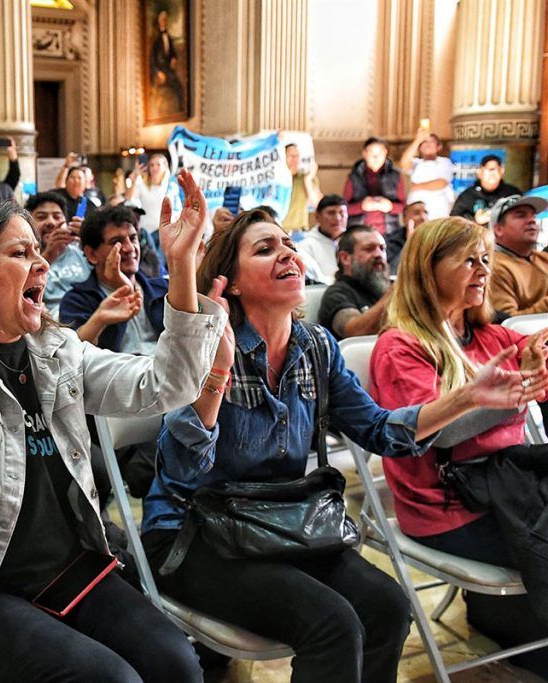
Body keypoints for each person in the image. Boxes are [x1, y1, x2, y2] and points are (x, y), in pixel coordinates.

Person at [141, 207, 542, 683]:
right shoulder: (204, 347)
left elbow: (381, 432)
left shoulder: (317, 347)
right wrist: (218, 371)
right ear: (234, 284)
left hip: (284, 521)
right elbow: (181, 471)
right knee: (333, 624)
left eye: (288, 243)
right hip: (194, 533)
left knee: (390, 607)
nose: (288, 253)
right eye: (266, 249)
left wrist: (466, 398)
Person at [0, 163, 226, 682]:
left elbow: (167, 386)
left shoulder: (54, 348)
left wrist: (181, 265)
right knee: (111, 680)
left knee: (177, 663)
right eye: (20, 253)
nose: (42, 264)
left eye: (38, 251)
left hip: (66, 570)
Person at [372, 215, 548, 676]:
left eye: (486, 258)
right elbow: (435, 433)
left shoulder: (491, 335)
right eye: (468, 260)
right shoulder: (401, 346)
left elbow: (535, 371)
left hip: (506, 485)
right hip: (444, 505)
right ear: (427, 270)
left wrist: (540, 365)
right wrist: (512, 398)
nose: (483, 269)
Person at [60, 204, 168, 353]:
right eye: (116, 242)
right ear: (92, 254)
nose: (129, 248)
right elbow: (71, 354)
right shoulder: (77, 300)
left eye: (133, 238)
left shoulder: (162, 289)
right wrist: (99, 320)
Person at [317, 226, 392, 340]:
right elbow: (354, 332)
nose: (379, 254)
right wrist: (394, 294)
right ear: (345, 258)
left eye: (382, 248)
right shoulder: (337, 294)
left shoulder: (389, 286)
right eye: (369, 249)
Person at [25, 192, 89, 317]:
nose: (51, 223)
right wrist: (49, 254)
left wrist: (89, 240)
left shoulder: (81, 250)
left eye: (57, 217)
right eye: (41, 217)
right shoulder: (22, 258)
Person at [487, 195, 548, 318]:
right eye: (521, 215)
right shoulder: (493, 267)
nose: (532, 220)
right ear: (498, 229)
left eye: (534, 215)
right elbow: (507, 323)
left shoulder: (543, 258)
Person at [343, 136, 405, 235]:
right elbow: (344, 208)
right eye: (371, 153)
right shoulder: (354, 176)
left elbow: (403, 206)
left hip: (389, 232)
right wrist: (362, 206)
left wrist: (390, 206)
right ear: (364, 153)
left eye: (379, 153)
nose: (376, 157)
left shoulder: (395, 176)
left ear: (385, 153)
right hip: (360, 232)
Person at [399, 127, 455, 219]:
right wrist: (417, 140)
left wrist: (416, 186)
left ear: (438, 146)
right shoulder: (416, 163)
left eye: (431, 141)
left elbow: (441, 183)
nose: (427, 144)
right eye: (424, 142)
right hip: (416, 209)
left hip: (438, 210)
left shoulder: (444, 162)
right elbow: (404, 164)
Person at [451, 154, 522, 225]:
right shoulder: (468, 195)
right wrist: (475, 220)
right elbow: (454, 219)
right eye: (488, 170)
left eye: (495, 169)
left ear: (501, 171)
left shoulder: (512, 193)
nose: (492, 173)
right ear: (479, 172)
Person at [297, 194, 348, 285]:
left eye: (342, 213)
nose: (337, 218)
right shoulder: (305, 247)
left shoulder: (353, 243)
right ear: (317, 216)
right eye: (331, 213)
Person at [124, 153, 171, 238]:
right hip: (148, 231)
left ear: (165, 167)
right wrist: (134, 180)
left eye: (158, 165)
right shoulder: (142, 185)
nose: (154, 168)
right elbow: (128, 198)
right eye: (152, 165)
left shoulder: (171, 186)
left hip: (166, 231)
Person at [282, 143, 323, 233]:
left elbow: (317, 204)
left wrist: (307, 180)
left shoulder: (306, 177)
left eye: (297, 156)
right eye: (291, 156)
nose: (295, 159)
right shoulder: (278, 178)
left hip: (300, 231)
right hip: (281, 230)